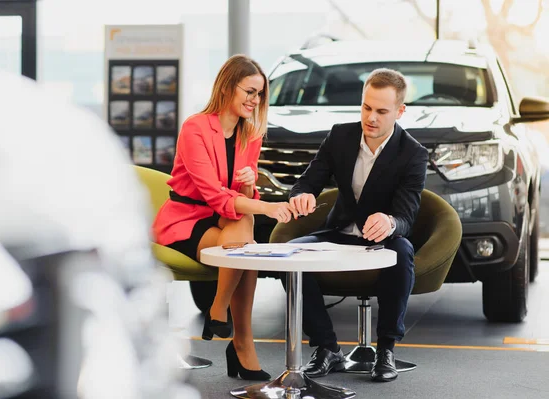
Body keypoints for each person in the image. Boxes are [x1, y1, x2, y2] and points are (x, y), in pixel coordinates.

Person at [153, 54, 297, 381]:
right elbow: (214, 195)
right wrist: (268, 207)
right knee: (246, 235)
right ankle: (239, 339)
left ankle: (221, 315)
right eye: (249, 91)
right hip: (186, 219)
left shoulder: (251, 135)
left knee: (243, 231)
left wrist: (249, 187)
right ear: (227, 88)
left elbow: (240, 200)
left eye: (259, 94)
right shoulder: (196, 128)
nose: (254, 100)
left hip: (226, 221)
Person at [285, 68, 429, 382]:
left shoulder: (413, 154)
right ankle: (327, 347)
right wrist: (303, 195)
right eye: (366, 107)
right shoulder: (340, 136)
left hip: (383, 237)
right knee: (291, 255)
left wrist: (390, 221)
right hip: (339, 232)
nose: (371, 117)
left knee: (402, 253)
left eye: (381, 111)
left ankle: (386, 349)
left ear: (399, 112)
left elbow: (407, 217)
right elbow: (305, 182)